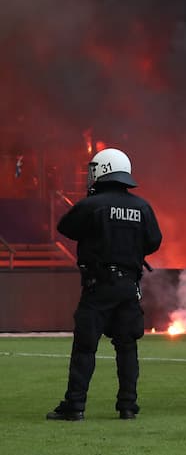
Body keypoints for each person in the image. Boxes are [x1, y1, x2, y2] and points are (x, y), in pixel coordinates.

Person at [47, 148, 162, 421]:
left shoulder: (92, 205)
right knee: (127, 347)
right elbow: (154, 241)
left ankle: (75, 406)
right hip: (128, 287)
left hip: (98, 286)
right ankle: (128, 406)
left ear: (101, 170)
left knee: (86, 346)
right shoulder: (142, 207)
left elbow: (66, 228)